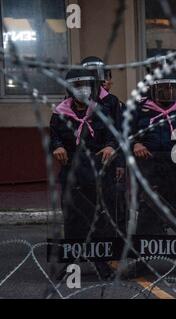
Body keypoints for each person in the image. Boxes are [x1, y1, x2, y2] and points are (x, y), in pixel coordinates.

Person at [50, 68, 118, 279]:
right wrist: (58, 146)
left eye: (86, 85)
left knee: (99, 219)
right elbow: (53, 137)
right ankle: (71, 265)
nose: (83, 90)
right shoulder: (60, 112)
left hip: (97, 172)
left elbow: (114, 135)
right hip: (72, 172)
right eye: (78, 86)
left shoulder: (102, 110)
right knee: (72, 219)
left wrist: (110, 146)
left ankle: (101, 264)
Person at [131, 73, 176, 237]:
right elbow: (127, 133)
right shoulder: (140, 109)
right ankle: (146, 259)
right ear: (153, 89)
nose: (167, 91)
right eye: (162, 88)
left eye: (171, 87)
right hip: (150, 167)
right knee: (149, 211)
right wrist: (136, 144)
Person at [81, 56, 127, 236]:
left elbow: (120, 134)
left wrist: (120, 163)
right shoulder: (74, 101)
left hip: (110, 160)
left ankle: (117, 244)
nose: (106, 81)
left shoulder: (113, 102)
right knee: (86, 205)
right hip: (85, 162)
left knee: (115, 203)